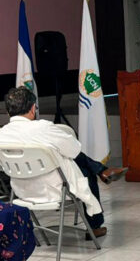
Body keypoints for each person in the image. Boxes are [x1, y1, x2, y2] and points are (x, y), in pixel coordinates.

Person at [0, 87, 127, 239]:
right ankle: (94, 225)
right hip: (56, 189)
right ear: (33, 108)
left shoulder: (2, 134)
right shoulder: (43, 128)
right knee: (84, 171)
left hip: (21, 191)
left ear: (8, 112)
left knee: (70, 159)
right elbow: (74, 149)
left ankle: (101, 170)